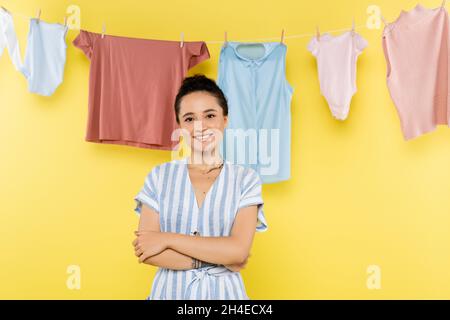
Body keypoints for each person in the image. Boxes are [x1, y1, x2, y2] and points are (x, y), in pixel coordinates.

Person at [132, 74, 267, 299]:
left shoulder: (246, 179)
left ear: (225, 120)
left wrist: (166, 239)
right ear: (180, 126)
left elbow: (238, 251)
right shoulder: (159, 177)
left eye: (210, 115)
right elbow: (147, 250)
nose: (200, 126)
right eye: (189, 118)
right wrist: (221, 257)